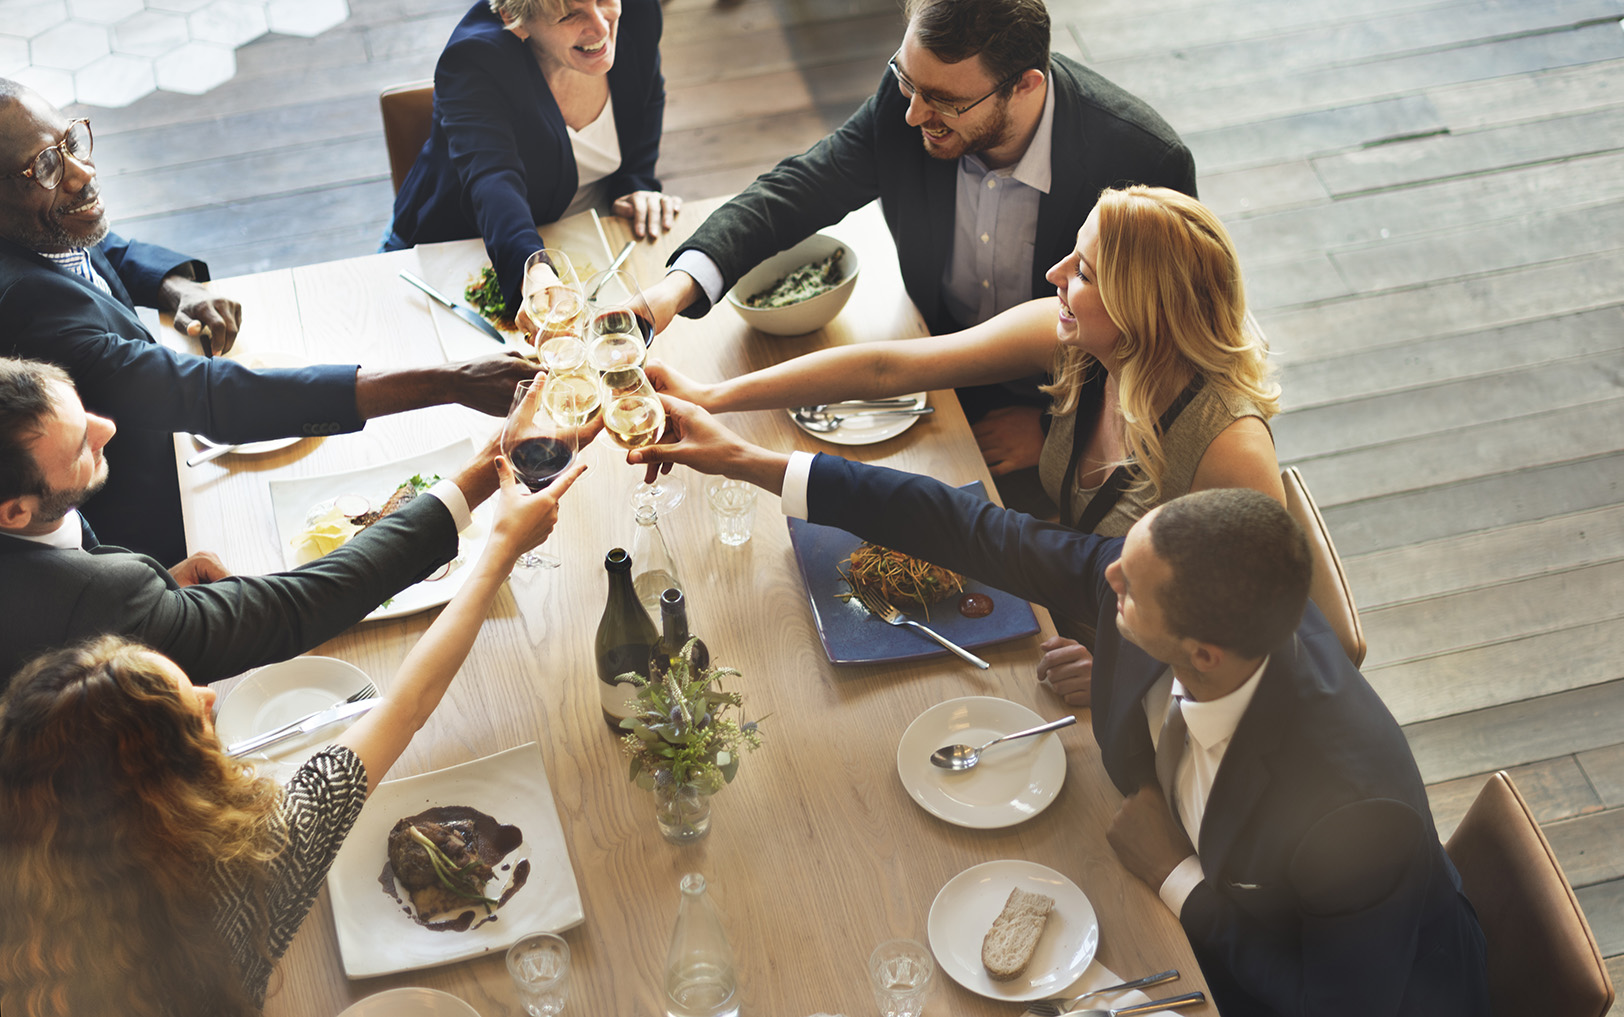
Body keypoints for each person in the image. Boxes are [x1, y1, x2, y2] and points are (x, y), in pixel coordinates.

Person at [627, 401, 1493, 1017]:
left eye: (1129, 589)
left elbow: (1328, 1002)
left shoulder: (1354, 809)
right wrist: (746, 458)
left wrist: (1178, 878)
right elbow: (976, 530)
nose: (1104, 577)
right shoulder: (1173, 598)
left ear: (1203, 655)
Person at [0, 452, 586, 1016]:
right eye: (195, 711)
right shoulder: (245, 868)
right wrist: (501, 548)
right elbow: (406, 705)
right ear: (167, 792)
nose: (211, 696)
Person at [650, 186, 1281, 688]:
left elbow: (1270, 640)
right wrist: (711, 397)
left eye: (1083, 270)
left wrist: (1133, 667)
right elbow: (887, 368)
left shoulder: (1229, 447)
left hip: (1129, 656)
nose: (1057, 273)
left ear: (1140, 307)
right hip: (1056, 595)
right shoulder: (1082, 340)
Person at [642, 0, 1196, 494]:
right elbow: (806, 184)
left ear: (1026, 84)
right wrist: (675, 289)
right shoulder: (916, 96)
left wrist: (1055, 430)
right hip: (931, 363)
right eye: (907, 83)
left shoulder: (1146, 162)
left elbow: (1164, 343)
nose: (912, 115)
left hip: (1066, 413)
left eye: (943, 102)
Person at [0, 79, 541, 564]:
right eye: (46, 167)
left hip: (180, 453)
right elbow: (214, 398)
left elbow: (97, 249)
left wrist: (178, 288)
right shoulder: (30, 310)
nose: (83, 172)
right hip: (152, 532)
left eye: (71, 142)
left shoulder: (38, 230)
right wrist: (450, 381)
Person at [0, 357, 552, 686]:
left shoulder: (34, 528)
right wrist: (485, 471)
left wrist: (155, 606)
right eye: (79, 444)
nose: (107, 429)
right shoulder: (95, 595)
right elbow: (294, 606)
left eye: (84, 410)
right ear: (15, 511)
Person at [387, 0, 680, 313]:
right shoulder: (474, 58)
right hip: (460, 249)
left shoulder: (638, 10)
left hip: (589, 237)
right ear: (515, 19)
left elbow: (648, 96)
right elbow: (492, 179)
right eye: (570, 15)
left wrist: (636, 182)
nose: (601, 26)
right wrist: (534, 267)